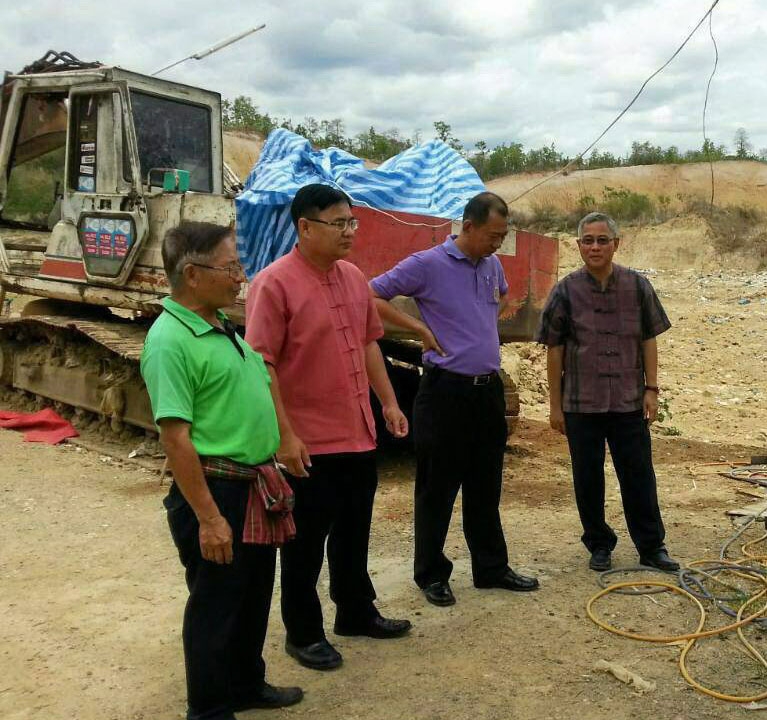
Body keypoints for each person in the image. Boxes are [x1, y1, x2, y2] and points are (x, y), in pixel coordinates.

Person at [245, 184, 412, 672]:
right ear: (305, 227)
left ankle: (356, 612)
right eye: (338, 224)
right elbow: (262, 364)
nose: (348, 232)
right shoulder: (273, 284)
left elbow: (367, 344)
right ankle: (303, 632)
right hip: (309, 441)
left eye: (351, 223)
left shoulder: (353, 277)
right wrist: (286, 435)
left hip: (357, 432)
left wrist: (388, 403)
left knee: (354, 530)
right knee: (304, 542)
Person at [141, 221, 303, 720]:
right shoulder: (170, 340)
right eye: (231, 266)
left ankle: (245, 684)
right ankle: (209, 709)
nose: (240, 276)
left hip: (252, 485)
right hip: (217, 492)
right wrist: (209, 518)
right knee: (215, 605)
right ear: (193, 274)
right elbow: (176, 438)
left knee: (252, 596)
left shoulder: (220, 326)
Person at [370, 191, 538, 607]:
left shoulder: (492, 265)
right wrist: (419, 328)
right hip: (445, 391)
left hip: (487, 392)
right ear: (468, 226)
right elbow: (371, 296)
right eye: (493, 235)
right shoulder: (427, 264)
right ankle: (431, 574)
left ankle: (491, 568)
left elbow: (496, 302)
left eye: (503, 236)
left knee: (486, 485)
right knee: (437, 487)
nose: (498, 243)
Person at [536, 211, 679, 572]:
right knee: (587, 478)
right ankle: (599, 543)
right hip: (581, 403)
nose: (595, 247)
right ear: (578, 245)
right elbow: (555, 350)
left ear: (616, 244)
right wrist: (555, 406)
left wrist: (652, 389)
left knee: (639, 476)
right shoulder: (565, 291)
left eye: (602, 240)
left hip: (629, 400)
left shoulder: (638, 287)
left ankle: (651, 546)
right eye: (588, 240)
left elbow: (648, 338)